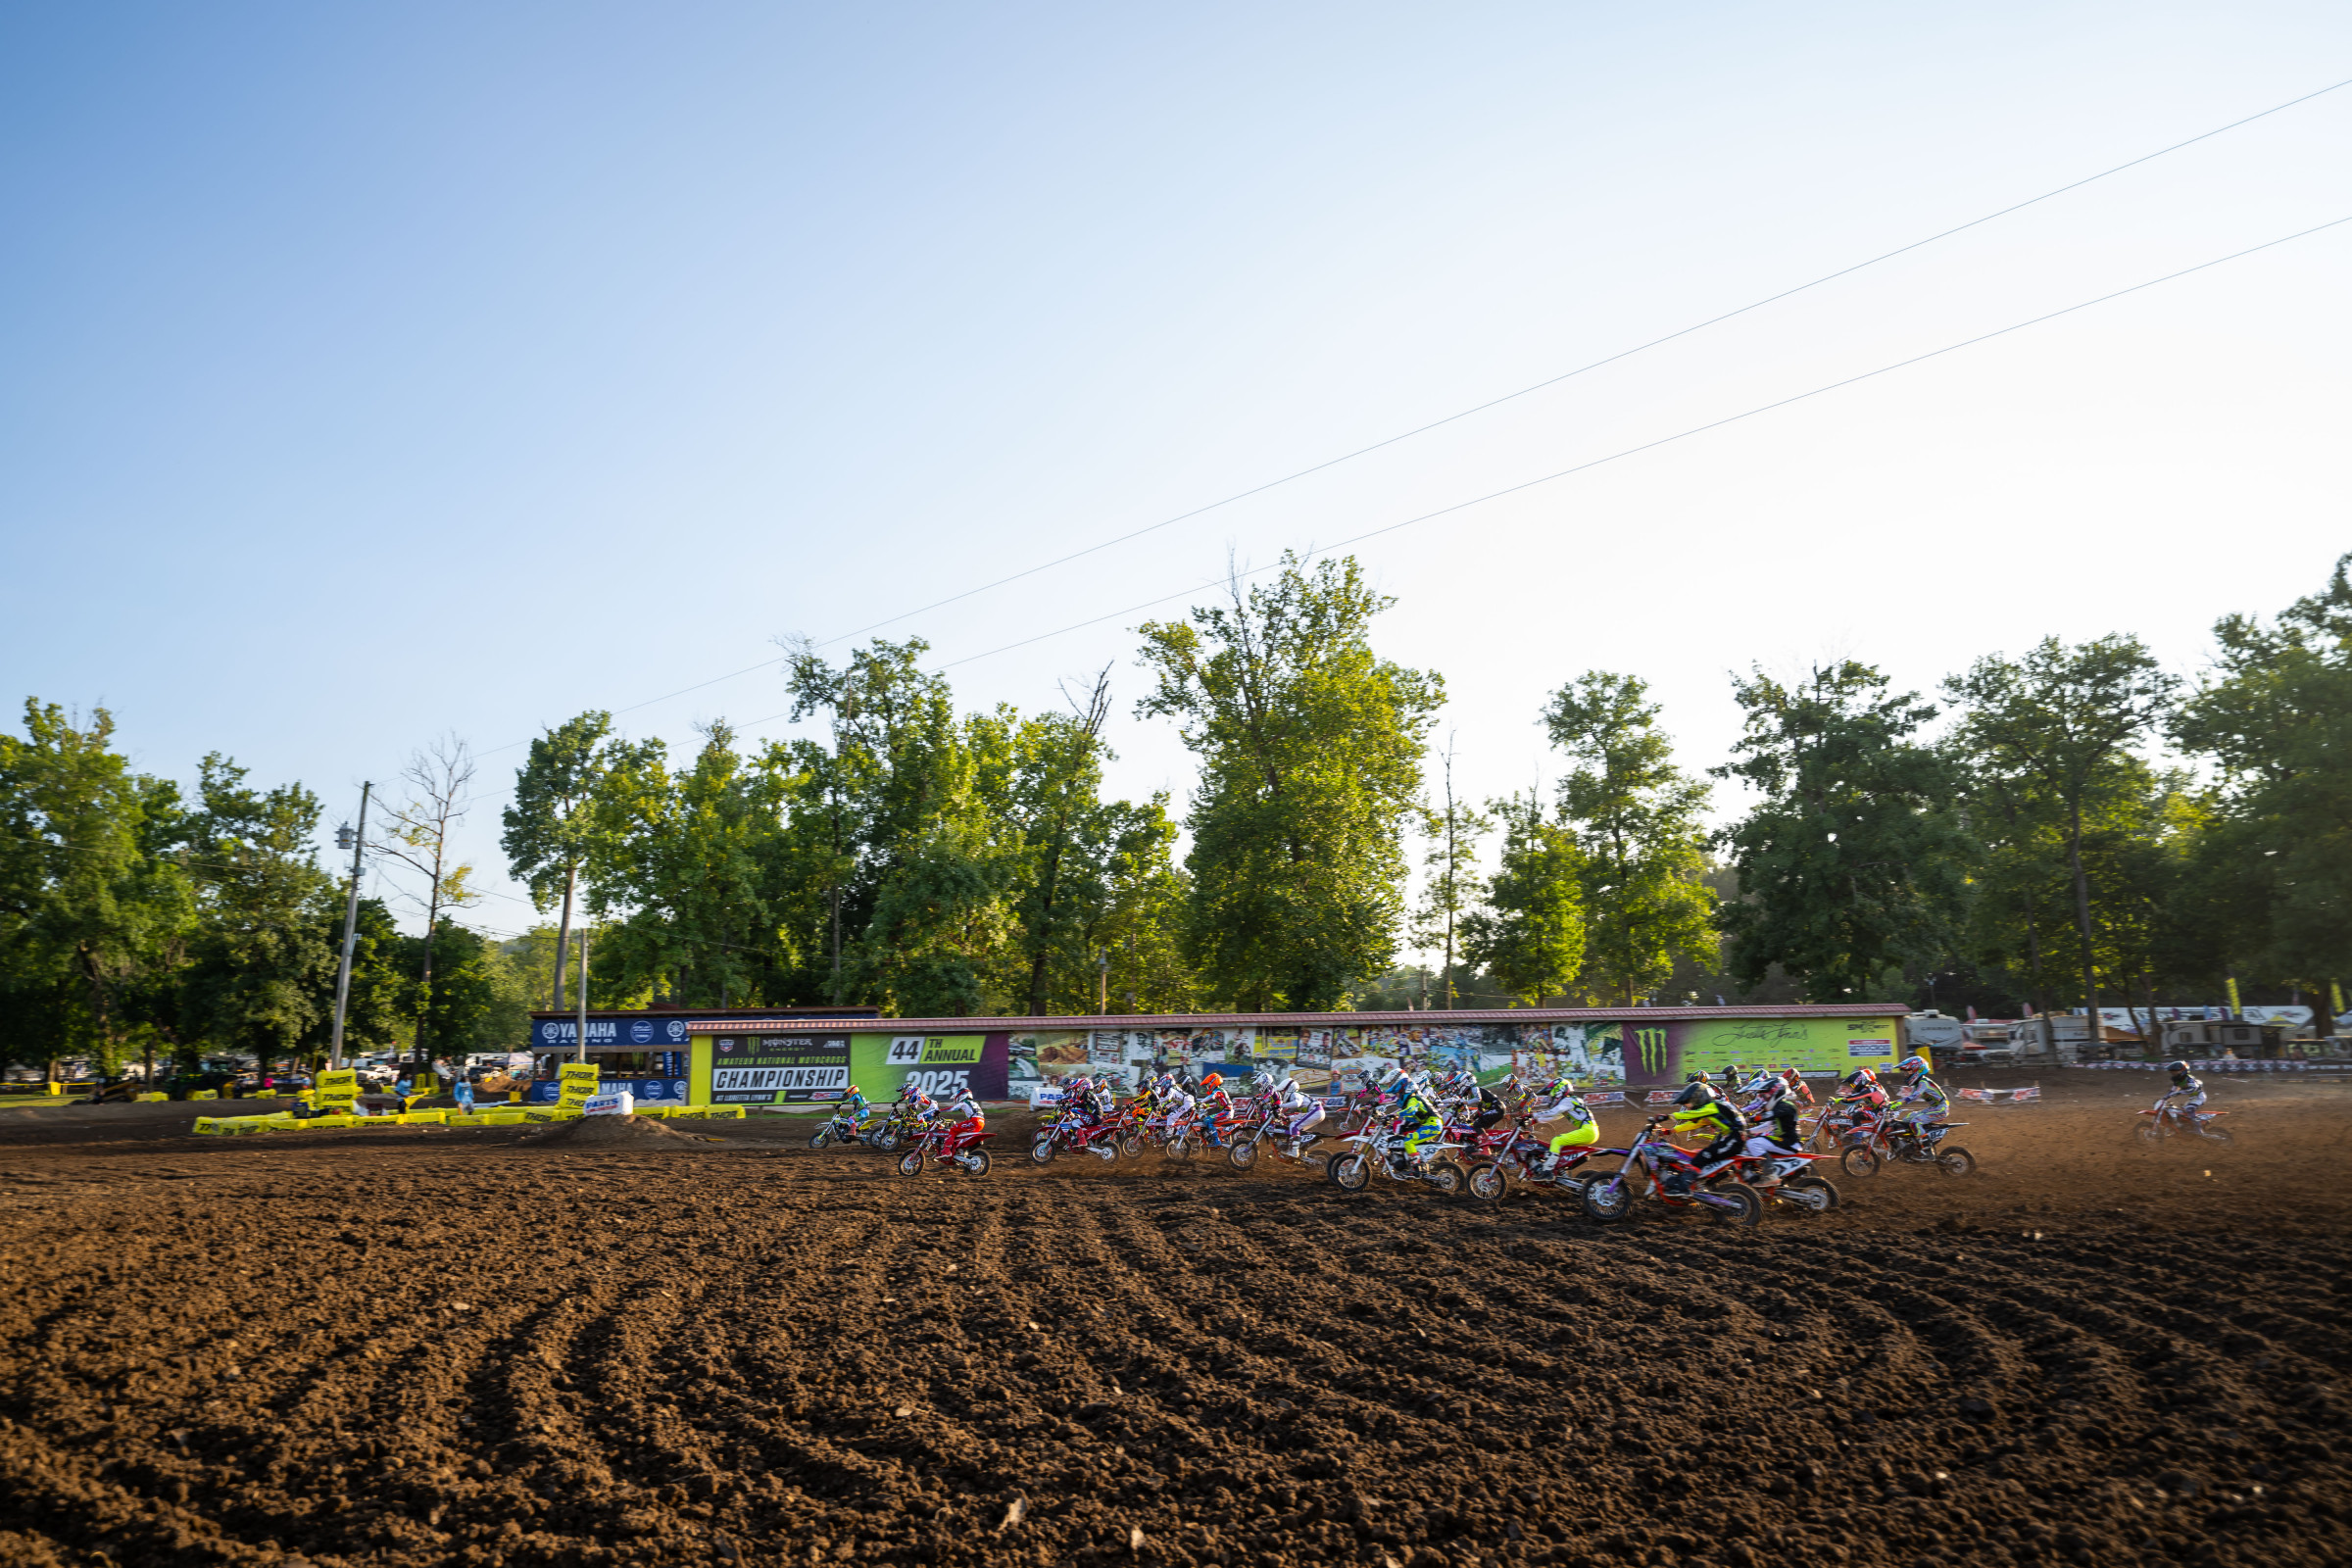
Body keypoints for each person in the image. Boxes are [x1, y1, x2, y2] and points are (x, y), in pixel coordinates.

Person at [1662, 1075, 1747, 1193]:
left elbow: (1691, 1115)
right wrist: (1671, 1131)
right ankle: (1709, 1182)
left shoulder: (1712, 1106)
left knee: (1703, 1155)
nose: (1691, 1106)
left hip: (1734, 1139)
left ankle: (1684, 1185)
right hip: (1732, 1137)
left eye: (1692, 1102)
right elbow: (1694, 1124)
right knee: (1703, 1155)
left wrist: (1668, 1116)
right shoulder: (1714, 1106)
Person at [1528, 1077, 1598, 1174]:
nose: (1550, 1098)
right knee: (1562, 1148)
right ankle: (1561, 1171)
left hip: (1588, 1131)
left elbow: (1554, 1112)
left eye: (1551, 1094)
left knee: (1557, 1140)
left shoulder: (1567, 1101)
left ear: (1559, 1090)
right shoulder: (1569, 1102)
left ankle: (1548, 1170)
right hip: (1589, 1130)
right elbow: (1555, 1117)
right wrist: (1535, 1120)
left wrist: (1532, 1115)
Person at [1890, 1054, 1949, 1144]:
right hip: (1934, 1108)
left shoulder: (1923, 1082)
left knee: (1915, 1122)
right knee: (1908, 1118)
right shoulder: (1918, 1084)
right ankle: (1911, 1143)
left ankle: (1925, 1147)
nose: (1906, 1075)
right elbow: (1911, 1097)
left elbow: (1915, 1096)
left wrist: (1900, 1103)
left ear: (1917, 1070)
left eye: (1908, 1072)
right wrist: (1894, 1103)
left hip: (1941, 1109)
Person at [936, 1083, 986, 1158]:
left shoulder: (964, 1102)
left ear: (961, 1096)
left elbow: (952, 1109)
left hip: (975, 1121)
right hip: (981, 1122)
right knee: (961, 1133)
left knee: (953, 1129)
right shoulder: (974, 1103)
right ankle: (962, 1150)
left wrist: (939, 1111)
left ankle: (946, 1151)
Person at [2153, 1060, 2208, 1127]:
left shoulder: (2189, 1079)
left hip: (2199, 1097)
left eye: (2174, 1071)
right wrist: (2164, 1098)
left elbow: (2193, 1088)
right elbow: (2172, 1091)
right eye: (2172, 1072)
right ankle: (2186, 1128)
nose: (2172, 1073)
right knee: (2181, 1112)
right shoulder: (2178, 1081)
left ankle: (2198, 1129)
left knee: (2189, 1108)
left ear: (2182, 1070)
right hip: (2192, 1099)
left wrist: (2179, 1092)